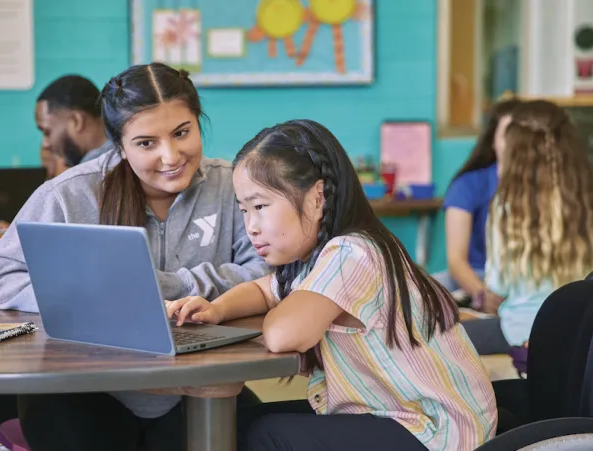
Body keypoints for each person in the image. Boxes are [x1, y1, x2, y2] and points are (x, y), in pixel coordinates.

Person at [0, 63, 270, 450]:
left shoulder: (231, 185)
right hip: (84, 389)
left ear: (198, 123)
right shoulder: (71, 193)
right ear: (119, 145)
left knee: (262, 434)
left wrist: (172, 285)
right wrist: (85, 297)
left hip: (193, 386)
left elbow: (267, 271)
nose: (170, 156)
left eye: (182, 132)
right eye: (146, 143)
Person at [167, 119, 497, 450]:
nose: (251, 226)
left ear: (317, 197)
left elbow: (284, 335)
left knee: (265, 434)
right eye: (244, 210)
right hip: (398, 413)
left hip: (435, 431)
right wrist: (216, 308)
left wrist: (279, 311)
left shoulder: (353, 252)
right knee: (241, 420)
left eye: (260, 206)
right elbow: (264, 290)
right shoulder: (315, 258)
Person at [463, 100, 593, 355]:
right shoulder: (592, 202)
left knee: (440, 336)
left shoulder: (506, 208)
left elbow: (497, 288)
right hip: (586, 332)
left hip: (522, 331)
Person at [435, 98, 522, 300]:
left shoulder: (546, 186)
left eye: (521, 136)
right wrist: (482, 295)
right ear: (493, 140)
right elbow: (456, 261)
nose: (515, 144)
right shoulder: (468, 184)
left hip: (523, 283)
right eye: (507, 135)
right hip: (476, 277)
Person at [35, 74, 113, 167]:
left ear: (77, 121)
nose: (45, 144)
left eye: (47, 132)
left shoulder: (90, 173)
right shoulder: (124, 153)